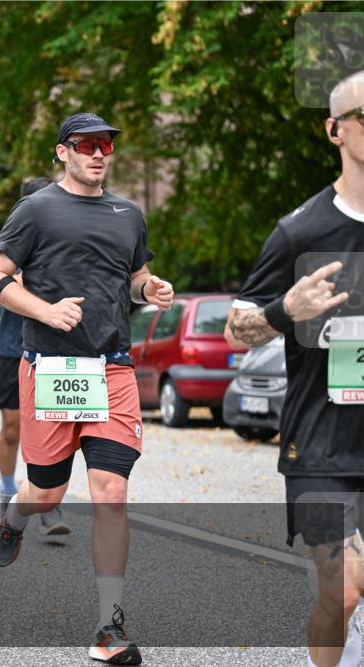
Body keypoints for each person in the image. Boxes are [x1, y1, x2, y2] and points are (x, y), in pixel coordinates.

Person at [0, 112, 174, 665]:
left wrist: (148, 287)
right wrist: (45, 309)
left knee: (111, 491)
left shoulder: (129, 213)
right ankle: (15, 519)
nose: (100, 153)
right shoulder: (36, 210)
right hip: (51, 369)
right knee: (46, 493)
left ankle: (108, 628)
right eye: (88, 144)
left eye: (108, 144)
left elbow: (131, 277)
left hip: (111, 370)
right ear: (63, 151)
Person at [225, 71, 364, 667]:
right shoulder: (300, 230)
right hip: (323, 445)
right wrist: (286, 311)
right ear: (334, 129)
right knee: (344, 589)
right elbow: (236, 329)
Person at [0, 176, 70, 537]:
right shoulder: (12, 243)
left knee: (50, 429)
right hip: (12, 349)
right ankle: (8, 489)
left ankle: (47, 504)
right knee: (12, 429)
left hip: (51, 353)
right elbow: (3, 282)